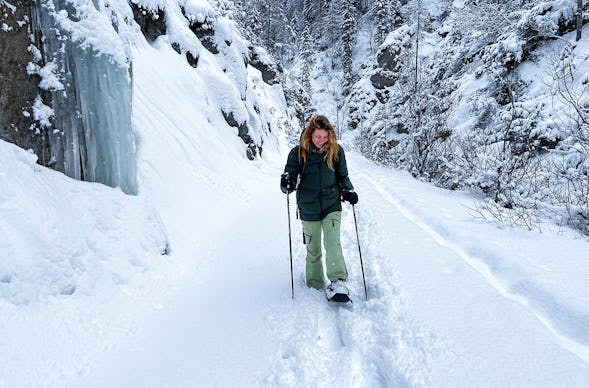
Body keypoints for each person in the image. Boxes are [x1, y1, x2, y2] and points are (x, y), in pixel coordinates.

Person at [280, 114, 358, 302]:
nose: (321, 141)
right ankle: (314, 282)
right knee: (313, 248)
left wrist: (348, 190)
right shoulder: (297, 153)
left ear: (329, 136)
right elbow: (288, 178)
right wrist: (286, 183)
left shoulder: (336, 151)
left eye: (324, 137)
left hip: (332, 203)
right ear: (309, 135)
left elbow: (342, 175)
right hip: (308, 206)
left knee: (333, 242)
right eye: (317, 137)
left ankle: (337, 281)